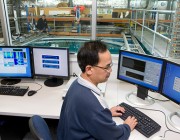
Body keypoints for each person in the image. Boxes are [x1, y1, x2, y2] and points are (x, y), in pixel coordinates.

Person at [57, 40, 138, 140]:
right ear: (89, 69)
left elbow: (89, 115)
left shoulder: (77, 83)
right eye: (107, 67)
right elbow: (113, 137)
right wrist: (127, 127)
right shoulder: (92, 105)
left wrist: (106, 113)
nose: (110, 70)